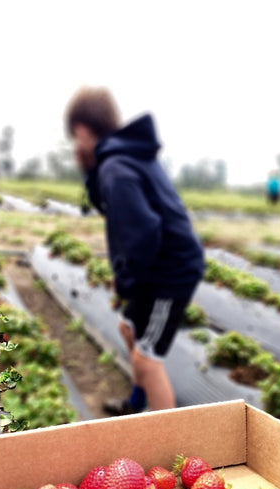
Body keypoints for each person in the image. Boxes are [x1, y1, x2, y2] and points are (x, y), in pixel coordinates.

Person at [64, 86, 205, 415]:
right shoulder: (121, 158)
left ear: (84, 129)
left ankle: (166, 445)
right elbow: (118, 211)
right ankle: (135, 405)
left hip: (171, 273)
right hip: (153, 266)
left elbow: (142, 234)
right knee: (127, 329)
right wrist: (89, 169)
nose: (75, 141)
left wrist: (126, 283)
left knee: (146, 359)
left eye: (75, 134)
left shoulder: (118, 166)